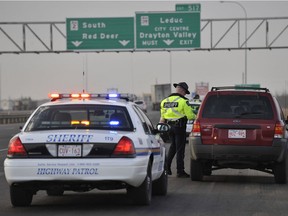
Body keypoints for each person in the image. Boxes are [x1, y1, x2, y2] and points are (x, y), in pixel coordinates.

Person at [160, 82, 196, 178]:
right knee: (180, 149)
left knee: (173, 147)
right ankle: (180, 171)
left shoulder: (165, 101)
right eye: (185, 92)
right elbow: (190, 116)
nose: (185, 95)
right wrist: (196, 116)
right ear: (183, 91)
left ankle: (166, 168)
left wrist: (160, 129)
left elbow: (162, 118)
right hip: (179, 127)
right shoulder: (184, 101)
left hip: (168, 127)